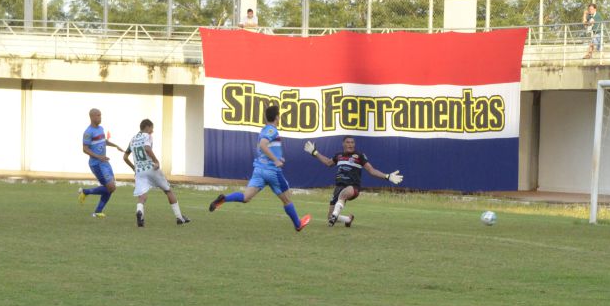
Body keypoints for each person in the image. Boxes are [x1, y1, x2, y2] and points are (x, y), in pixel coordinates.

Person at [208, 104, 311, 232]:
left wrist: (278, 158)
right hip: (272, 171)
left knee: (246, 197)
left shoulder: (263, 130)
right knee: (287, 199)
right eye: (279, 117)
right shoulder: (272, 130)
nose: (279, 119)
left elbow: (265, 148)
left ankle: (224, 199)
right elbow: (263, 145)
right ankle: (298, 224)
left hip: (259, 170)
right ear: (277, 117)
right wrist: (275, 161)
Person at [302, 136, 403, 227]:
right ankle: (347, 219)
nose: (350, 144)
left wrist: (387, 176)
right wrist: (314, 153)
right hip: (338, 187)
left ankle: (334, 218)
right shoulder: (339, 156)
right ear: (343, 144)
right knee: (329, 215)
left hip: (353, 187)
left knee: (343, 195)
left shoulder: (359, 156)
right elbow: (328, 162)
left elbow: (371, 170)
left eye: (352, 142)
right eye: (348, 142)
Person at [122, 119, 190, 227]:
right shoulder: (147, 136)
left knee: (142, 196)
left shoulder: (132, 139)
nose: (152, 131)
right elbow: (147, 148)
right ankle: (179, 217)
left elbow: (125, 157)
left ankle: (140, 211)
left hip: (139, 171)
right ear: (147, 127)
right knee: (168, 190)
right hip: (151, 167)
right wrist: (156, 161)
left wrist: (134, 168)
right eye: (152, 128)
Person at [77, 108, 123, 218]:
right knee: (111, 187)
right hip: (96, 164)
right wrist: (98, 157)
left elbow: (103, 141)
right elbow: (85, 149)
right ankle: (86, 192)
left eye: (100, 115)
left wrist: (115, 145)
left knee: (111, 188)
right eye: (98, 115)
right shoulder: (88, 132)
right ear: (92, 117)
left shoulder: (101, 128)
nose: (100, 117)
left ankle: (97, 211)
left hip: (104, 162)